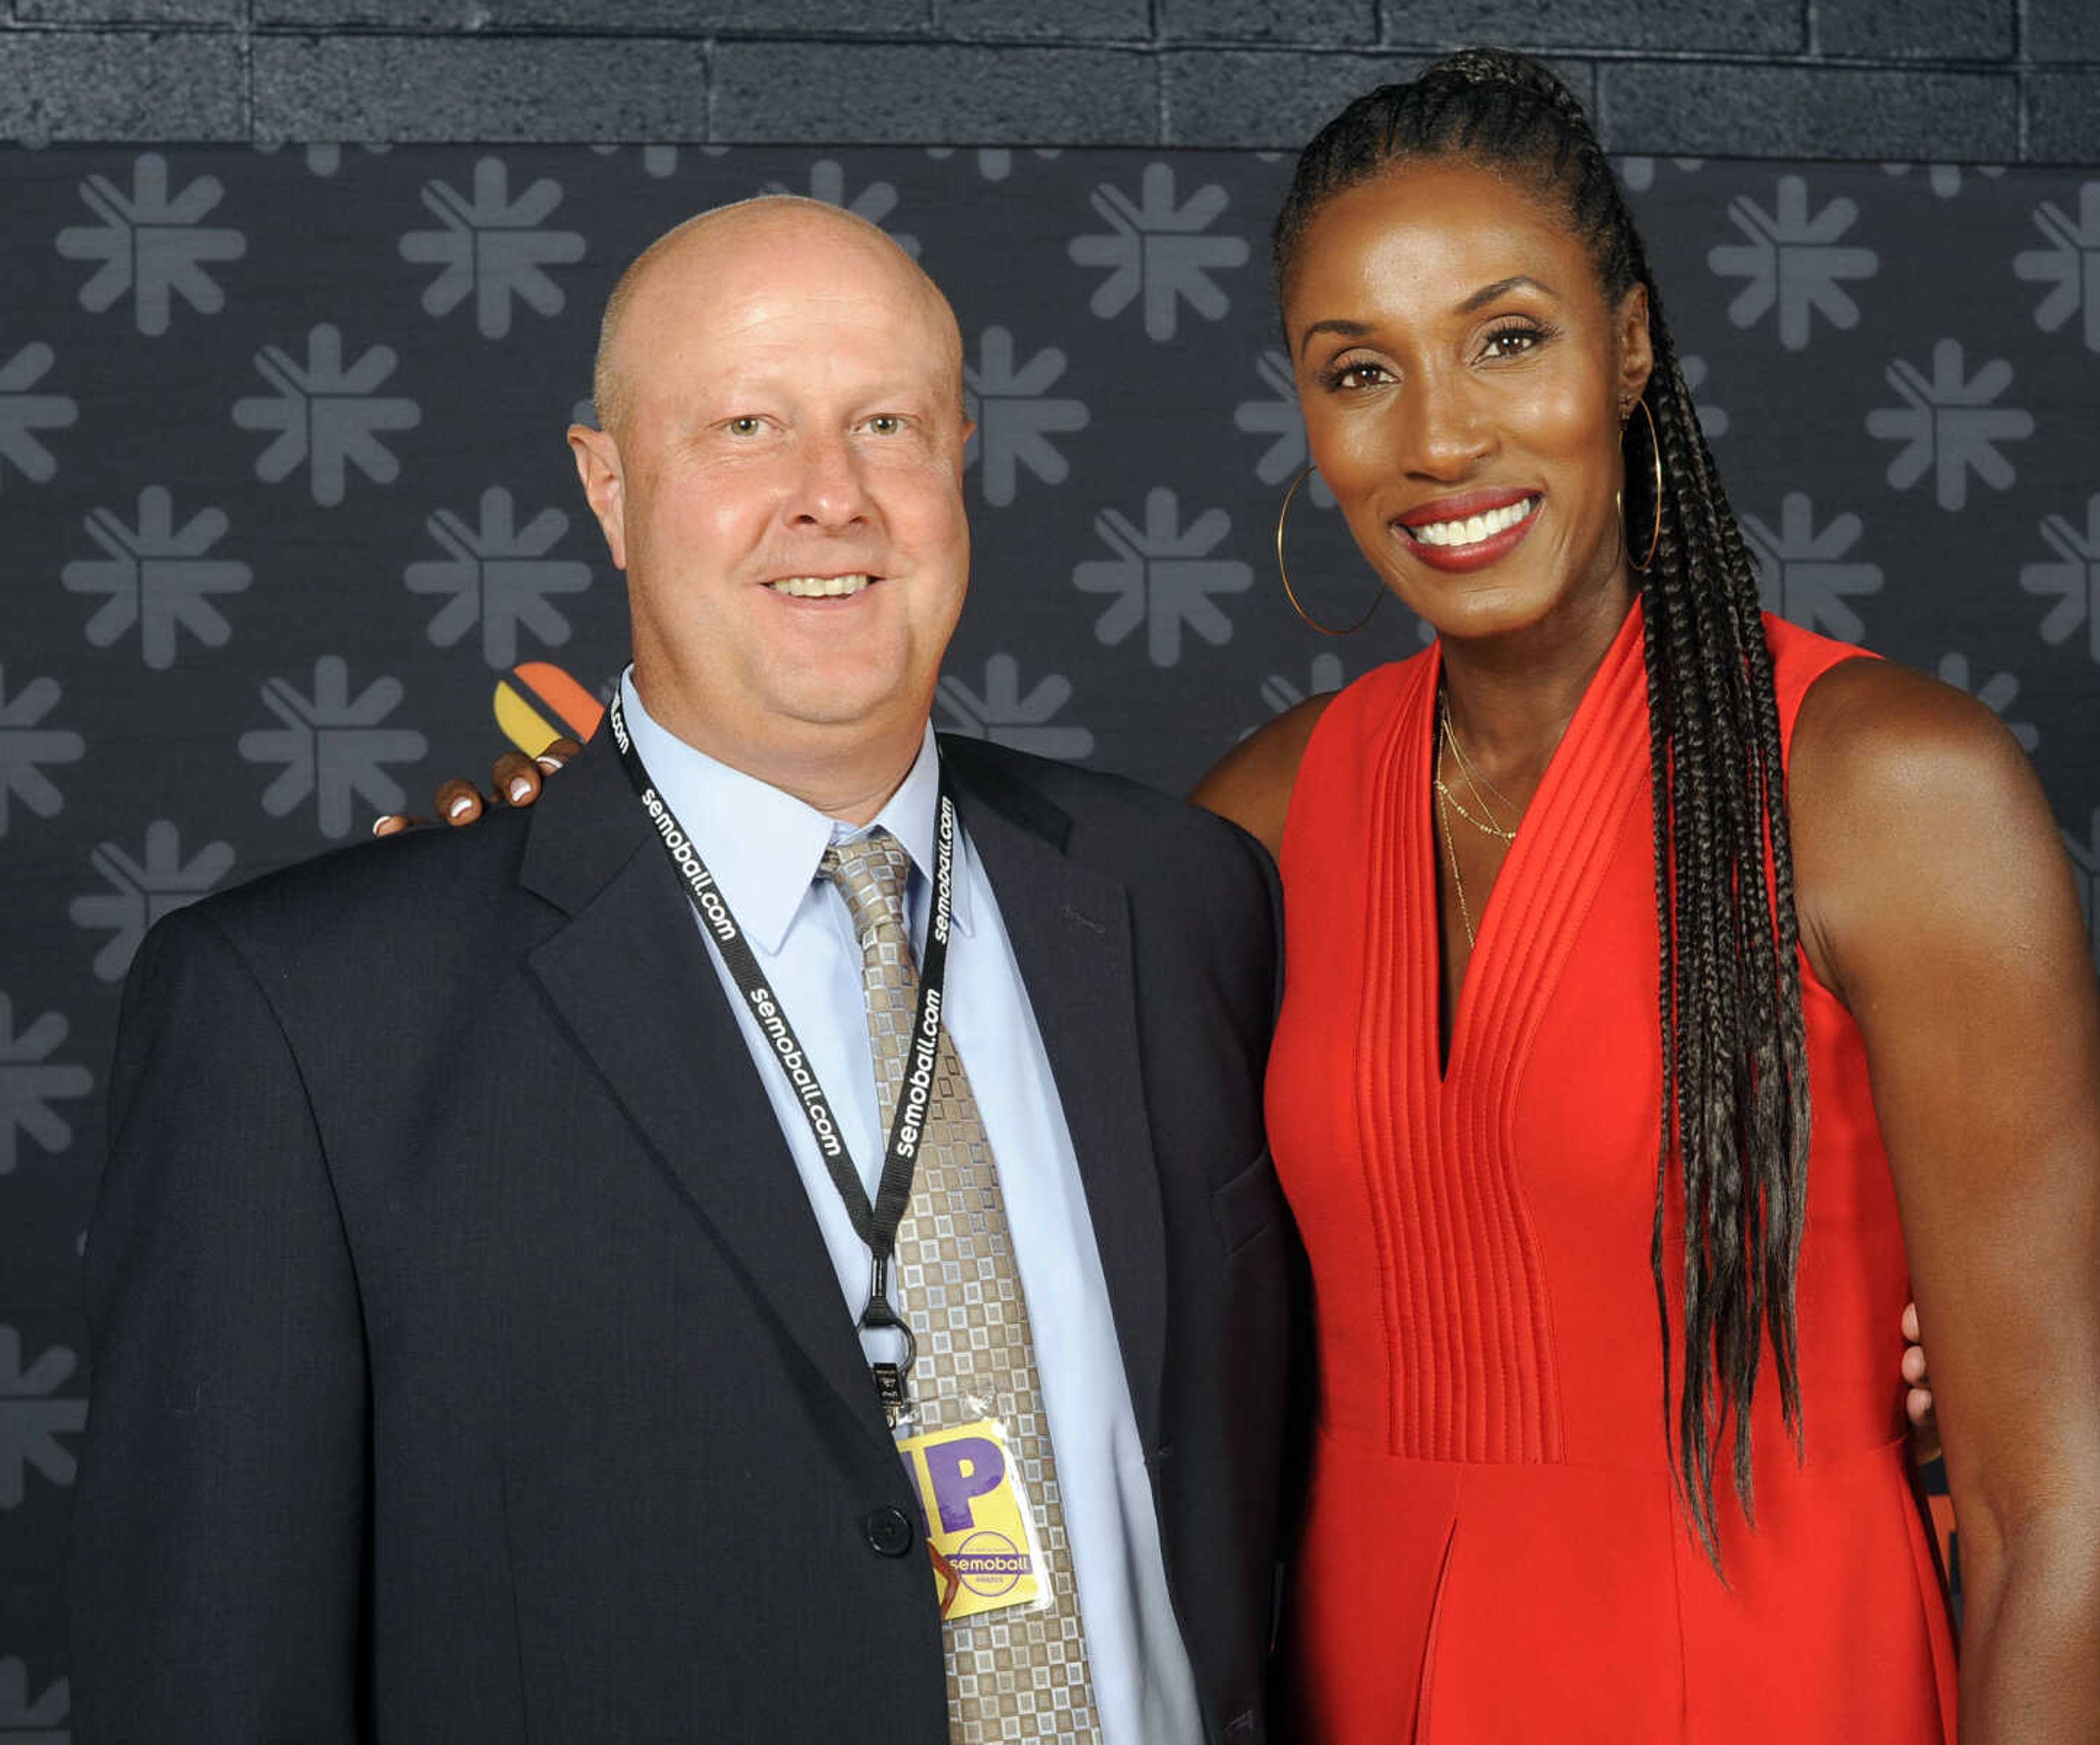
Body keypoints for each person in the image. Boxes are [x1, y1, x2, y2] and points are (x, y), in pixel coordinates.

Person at [67, 197, 1294, 1742]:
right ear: (609, 484)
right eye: (746, 427)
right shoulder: (304, 1021)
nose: (830, 497)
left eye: (888, 425)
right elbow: (208, 1686)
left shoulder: (1180, 902)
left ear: (962, 458)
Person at [1187, 49, 2100, 1745]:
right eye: (1358, 372)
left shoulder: (1885, 788)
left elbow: (2050, 1516)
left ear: (1627, 346)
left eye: (1508, 338)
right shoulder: (1258, 819)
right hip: (1363, 1681)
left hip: (1767, 1674)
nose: (1441, 437)